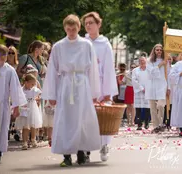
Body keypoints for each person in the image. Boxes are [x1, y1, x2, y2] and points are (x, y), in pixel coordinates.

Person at [41, 14, 101, 167]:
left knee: (82, 118)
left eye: (74, 29)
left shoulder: (86, 45)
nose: (71, 32)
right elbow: (53, 71)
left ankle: (81, 151)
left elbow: (93, 69)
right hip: (66, 84)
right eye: (68, 29)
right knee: (65, 119)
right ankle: (66, 155)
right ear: (65, 29)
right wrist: (51, 95)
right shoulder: (59, 46)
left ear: (78, 28)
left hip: (82, 85)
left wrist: (95, 93)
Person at [82, 11, 119, 162]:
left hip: (102, 84)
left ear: (98, 24)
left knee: (103, 117)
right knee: (86, 118)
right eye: (86, 23)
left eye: (91, 23)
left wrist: (108, 91)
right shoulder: (82, 42)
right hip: (85, 84)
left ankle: (104, 145)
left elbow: (109, 68)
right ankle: (86, 149)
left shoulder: (105, 44)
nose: (88, 26)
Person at [0, 44, 26, 164]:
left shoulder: (9, 70)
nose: (2, 57)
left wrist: (16, 106)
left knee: (1, 129)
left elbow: (15, 89)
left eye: (4, 54)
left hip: (2, 105)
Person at [146, 44, 170, 133]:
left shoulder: (166, 61)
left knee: (160, 105)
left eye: (160, 50)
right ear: (154, 51)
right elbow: (151, 72)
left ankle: (160, 124)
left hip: (162, 85)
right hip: (152, 85)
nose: (159, 51)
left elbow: (169, 74)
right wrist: (160, 65)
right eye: (157, 50)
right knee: (152, 108)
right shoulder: (149, 61)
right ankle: (155, 126)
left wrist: (169, 87)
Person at [15, 74, 43, 150]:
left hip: (32, 108)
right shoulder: (21, 90)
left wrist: (38, 98)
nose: (33, 85)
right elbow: (18, 98)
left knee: (33, 125)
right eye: (32, 84)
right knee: (25, 126)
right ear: (26, 82)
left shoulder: (34, 89)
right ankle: (24, 142)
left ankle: (33, 140)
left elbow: (41, 94)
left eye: (34, 84)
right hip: (24, 108)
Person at [132, 57, 151, 130]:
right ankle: (139, 124)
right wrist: (141, 88)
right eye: (140, 61)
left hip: (148, 90)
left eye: (143, 60)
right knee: (138, 108)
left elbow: (151, 79)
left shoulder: (149, 70)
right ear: (139, 62)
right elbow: (134, 80)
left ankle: (147, 123)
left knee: (147, 108)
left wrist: (148, 88)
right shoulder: (135, 70)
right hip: (139, 91)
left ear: (146, 61)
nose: (142, 62)